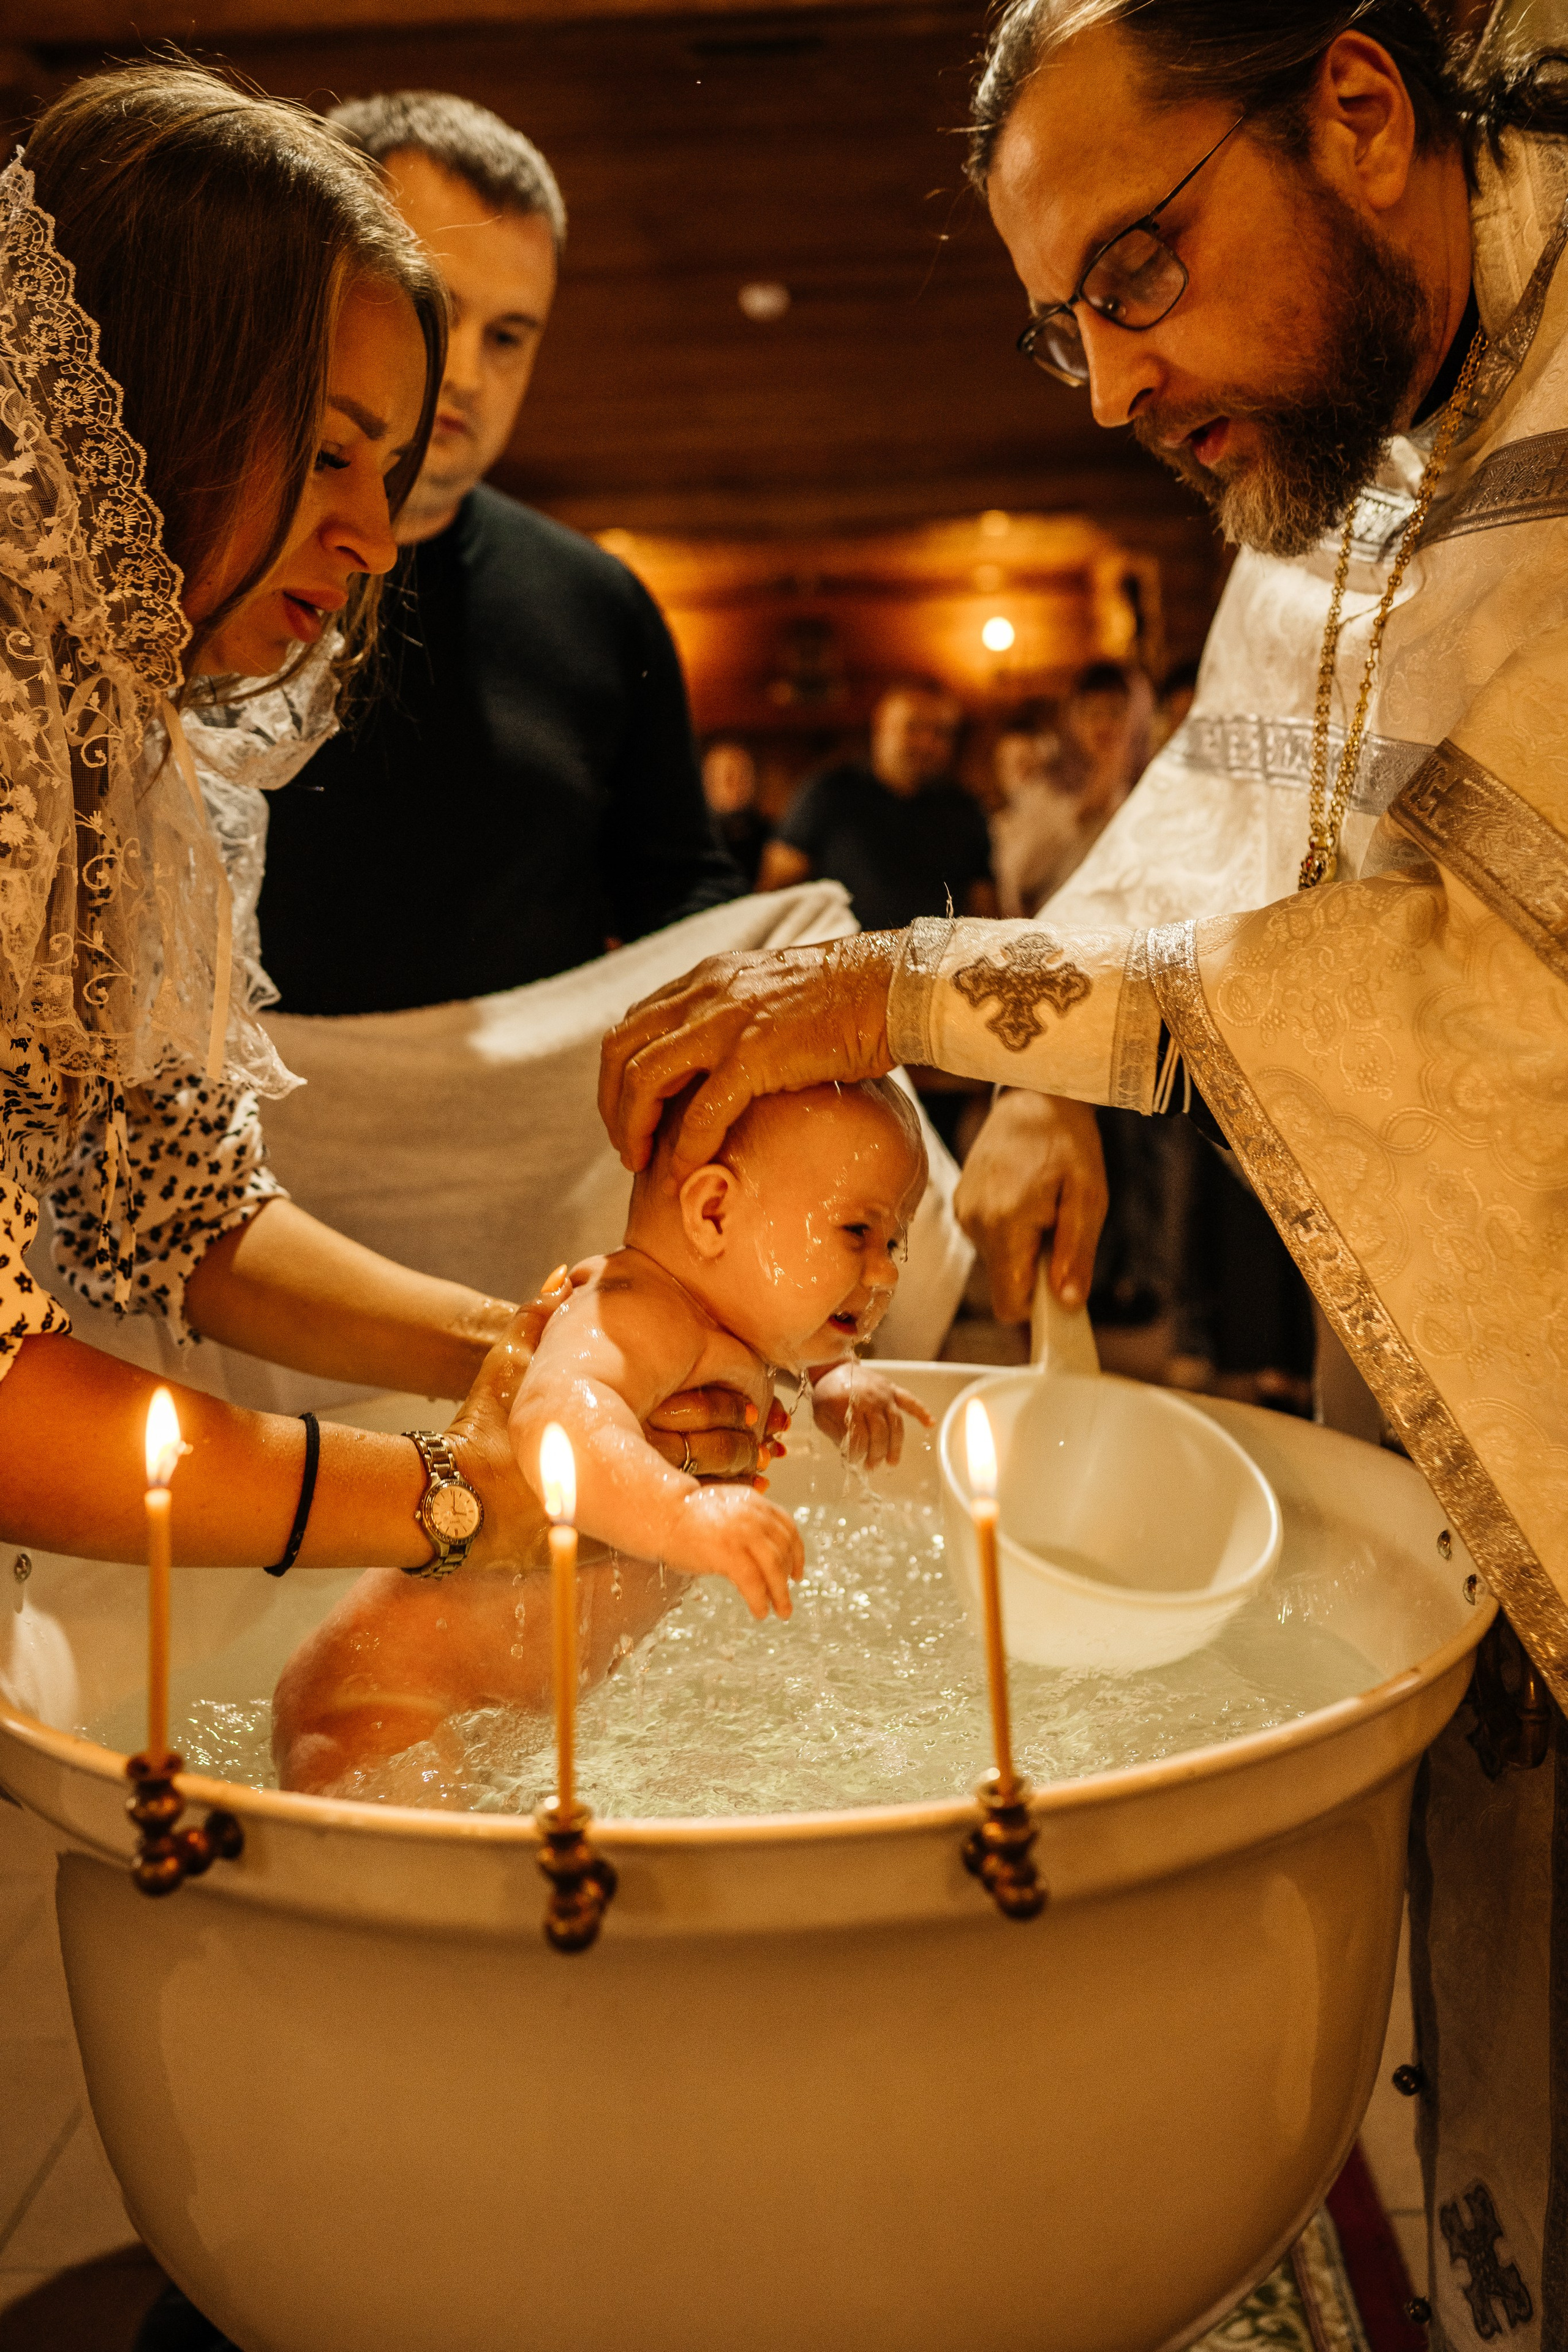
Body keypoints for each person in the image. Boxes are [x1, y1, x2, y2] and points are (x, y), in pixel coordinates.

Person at [595, 10, 1568, 2339]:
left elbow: (1496, 987)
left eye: (1135, 267)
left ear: (1352, 110)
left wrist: (926, 1000)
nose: (1106, 384)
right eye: (1061, 325)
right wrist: (1039, 1094)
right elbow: (1219, 843)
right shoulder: (1351, 462)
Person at [0, 67, 765, 1615]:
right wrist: (457, 1497)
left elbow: (166, 1201)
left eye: (392, 468)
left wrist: (516, 1344)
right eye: (333, 449)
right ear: (157, 396)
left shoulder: (116, 757)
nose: (368, 538)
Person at [272, 1083, 931, 1797]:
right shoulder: (633, 1311)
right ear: (713, 1212)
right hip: (382, 1704)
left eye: (894, 1240)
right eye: (858, 1234)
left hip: (498, 1703)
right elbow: (557, 1416)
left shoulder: (727, 1318)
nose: (888, 1268)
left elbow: (787, 1325)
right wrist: (683, 1511)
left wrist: (834, 1375)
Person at [256, 91, 741, 1014]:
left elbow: (680, 898)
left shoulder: (601, 607)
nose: (467, 373)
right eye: (432, 307)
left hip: (524, 1140)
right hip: (214, 1132)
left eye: (509, 337)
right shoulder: (200, 569)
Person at [759, 678, 997, 929]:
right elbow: (776, 891)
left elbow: (985, 906)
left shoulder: (965, 809)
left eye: (941, 732)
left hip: (942, 963)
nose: (927, 743)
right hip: (842, 961)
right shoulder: (829, 793)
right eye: (914, 727)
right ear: (881, 728)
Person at [989, 662, 1151, 918]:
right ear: (1074, 720)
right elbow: (1018, 878)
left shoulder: (1155, 786)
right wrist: (1080, 814)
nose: (1103, 725)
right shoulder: (1046, 789)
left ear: (1138, 717)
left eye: (1116, 712)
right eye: (1092, 713)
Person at [703, 737, 771, 888]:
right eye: (726, 776)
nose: (735, 784)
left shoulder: (776, 838)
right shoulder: (696, 841)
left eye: (743, 774)